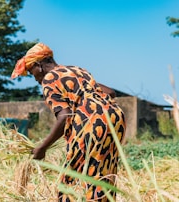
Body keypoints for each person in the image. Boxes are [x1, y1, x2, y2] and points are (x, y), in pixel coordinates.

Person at [11, 42, 126, 201]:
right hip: (115, 118)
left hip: (92, 123)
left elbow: (64, 116)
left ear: (39, 66)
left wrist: (43, 147)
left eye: (32, 72)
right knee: (102, 175)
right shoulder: (76, 70)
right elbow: (110, 93)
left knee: (69, 182)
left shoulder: (49, 79)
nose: (35, 78)